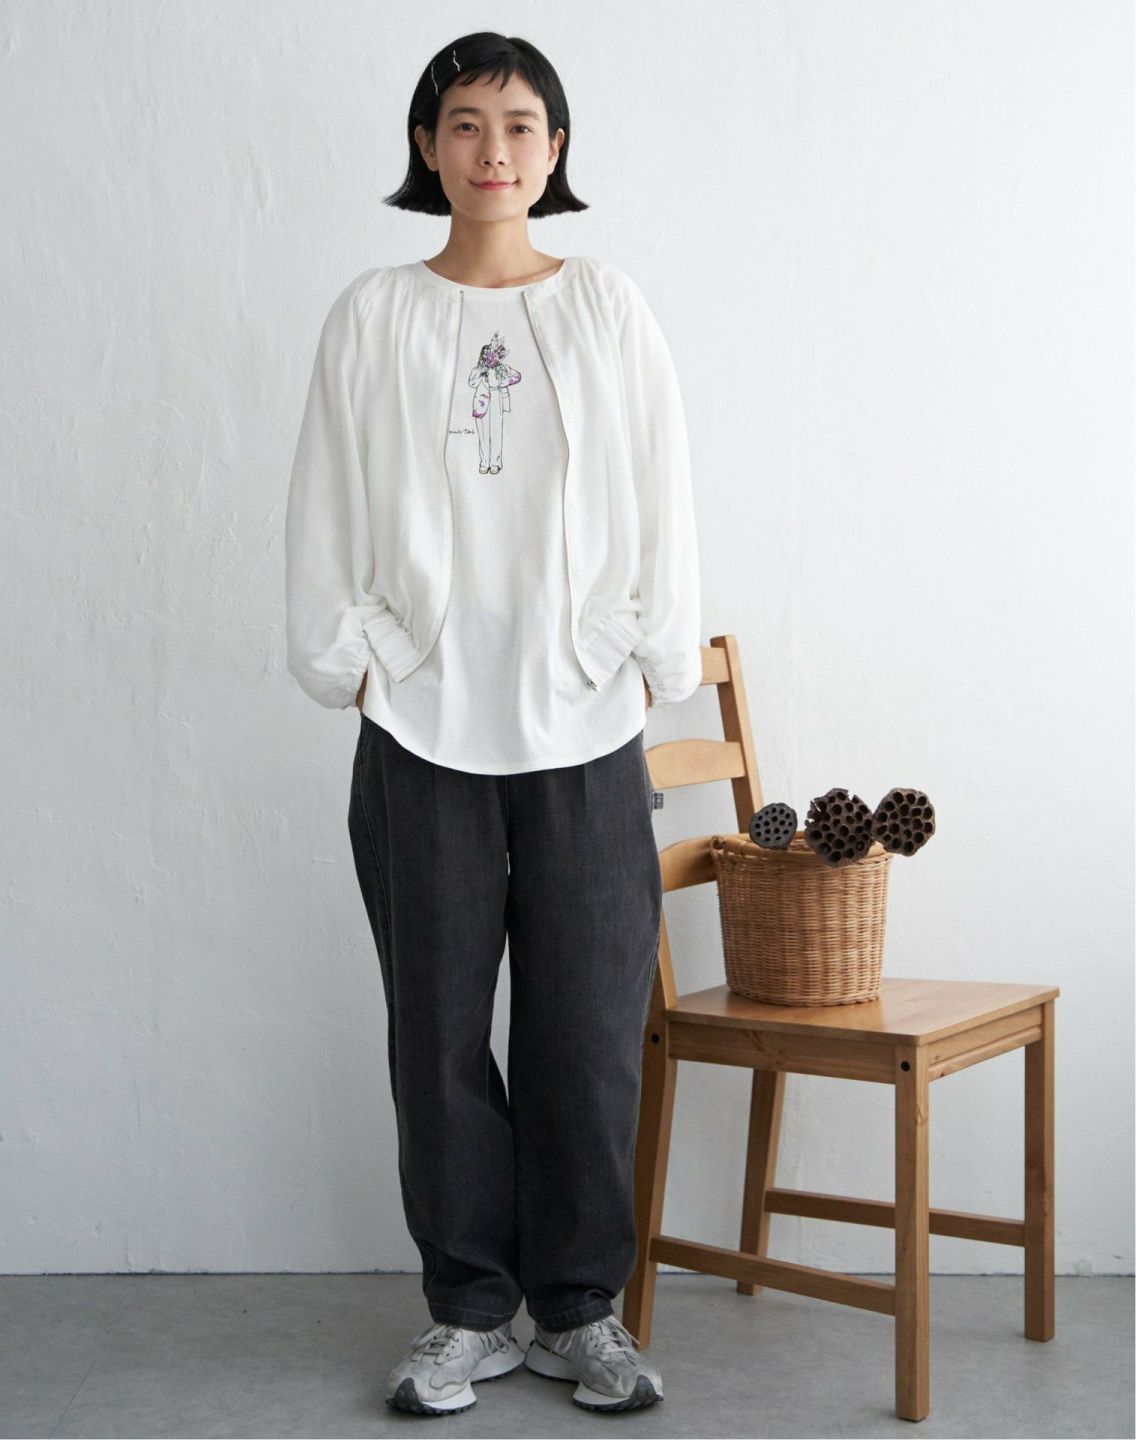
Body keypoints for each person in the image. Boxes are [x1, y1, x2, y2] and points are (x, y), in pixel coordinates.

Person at [284, 30, 701, 1417]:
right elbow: (324, 495)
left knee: (585, 1033)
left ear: (555, 149)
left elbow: (664, 489)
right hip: (422, 726)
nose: (493, 151)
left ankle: (578, 1310)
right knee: (437, 1034)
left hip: (583, 723)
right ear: (427, 146)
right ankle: (468, 1308)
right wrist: (350, 660)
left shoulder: (607, 308)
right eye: (464, 124)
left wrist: (647, 651)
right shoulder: (375, 314)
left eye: (520, 125)